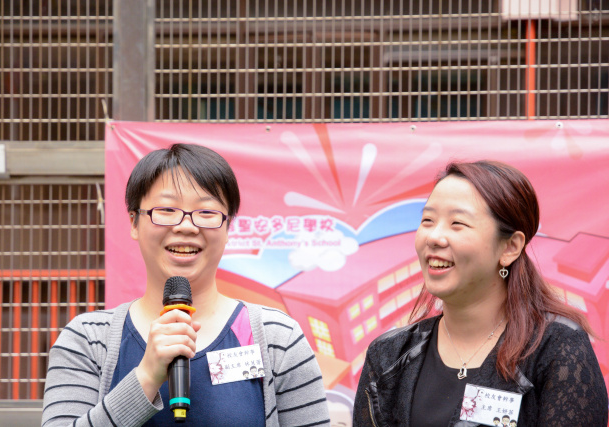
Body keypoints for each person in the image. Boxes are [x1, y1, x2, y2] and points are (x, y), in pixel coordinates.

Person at [42, 144, 330, 426]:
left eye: (206, 212)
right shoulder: (89, 339)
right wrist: (146, 377)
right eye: (167, 209)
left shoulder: (276, 337)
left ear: (228, 227)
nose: (187, 226)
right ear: (134, 222)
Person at [353, 160, 608, 426]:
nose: (434, 237)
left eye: (457, 223)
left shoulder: (557, 348)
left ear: (510, 247)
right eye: (427, 220)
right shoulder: (387, 355)